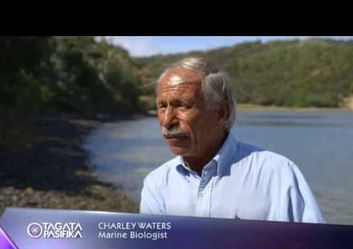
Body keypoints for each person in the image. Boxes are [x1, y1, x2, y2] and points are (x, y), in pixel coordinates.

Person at [139, 57, 326, 223]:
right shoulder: (157, 183)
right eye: (162, 107)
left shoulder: (277, 174)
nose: (167, 120)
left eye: (182, 106)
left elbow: (317, 245)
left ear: (221, 113)